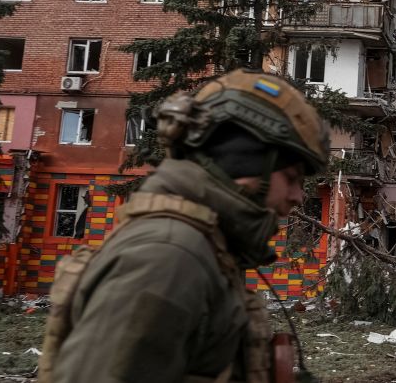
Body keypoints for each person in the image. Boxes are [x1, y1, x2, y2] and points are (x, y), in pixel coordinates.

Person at [48, 70, 329, 383]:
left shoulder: (204, 246)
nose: (297, 196)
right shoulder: (167, 257)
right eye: (291, 178)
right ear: (244, 164)